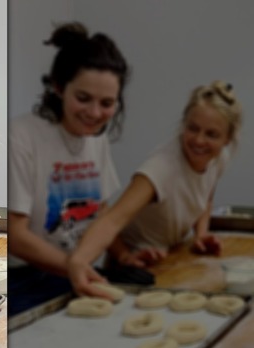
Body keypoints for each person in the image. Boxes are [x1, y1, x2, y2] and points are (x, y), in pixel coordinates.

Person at [68, 80, 242, 297]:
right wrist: (81, 260)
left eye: (211, 134)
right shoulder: (161, 169)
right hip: (134, 266)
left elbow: (205, 197)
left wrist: (201, 233)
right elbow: (111, 219)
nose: (199, 140)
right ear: (183, 123)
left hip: (169, 259)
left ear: (227, 139)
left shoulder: (217, 159)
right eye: (193, 128)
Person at [7, 22, 130, 314]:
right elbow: (16, 233)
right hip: (27, 278)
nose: (95, 113)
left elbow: (101, 211)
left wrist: (125, 255)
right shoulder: (22, 137)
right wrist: (75, 266)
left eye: (107, 103)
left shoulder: (96, 139)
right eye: (83, 98)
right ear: (59, 86)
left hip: (79, 269)